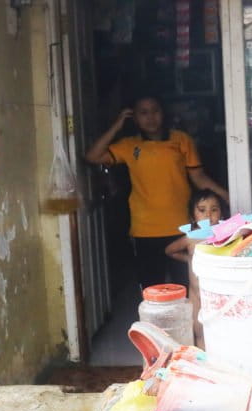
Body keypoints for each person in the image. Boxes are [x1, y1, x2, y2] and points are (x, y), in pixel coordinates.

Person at [85, 95, 228, 290]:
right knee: (152, 289)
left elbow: (199, 177)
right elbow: (92, 156)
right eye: (143, 113)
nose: (150, 117)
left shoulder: (181, 140)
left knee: (187, 287)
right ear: (134, 118)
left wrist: (227, 195)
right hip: (145, 229)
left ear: (163, 113)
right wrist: (116, 126)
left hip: (182, 226)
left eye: (155, 111)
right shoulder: (128, 145)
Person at [166, 188, 229, 348]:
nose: (208, 215)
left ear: (221, 214)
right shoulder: (191, 238)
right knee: (199, 332)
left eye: (214, 210)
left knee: (221, 331)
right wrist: (189, 258)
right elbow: (170, 250)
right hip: (196, 295)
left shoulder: (227, 236)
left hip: (218, 294)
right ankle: (203, 365)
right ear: (193, 216)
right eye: (202, 210)